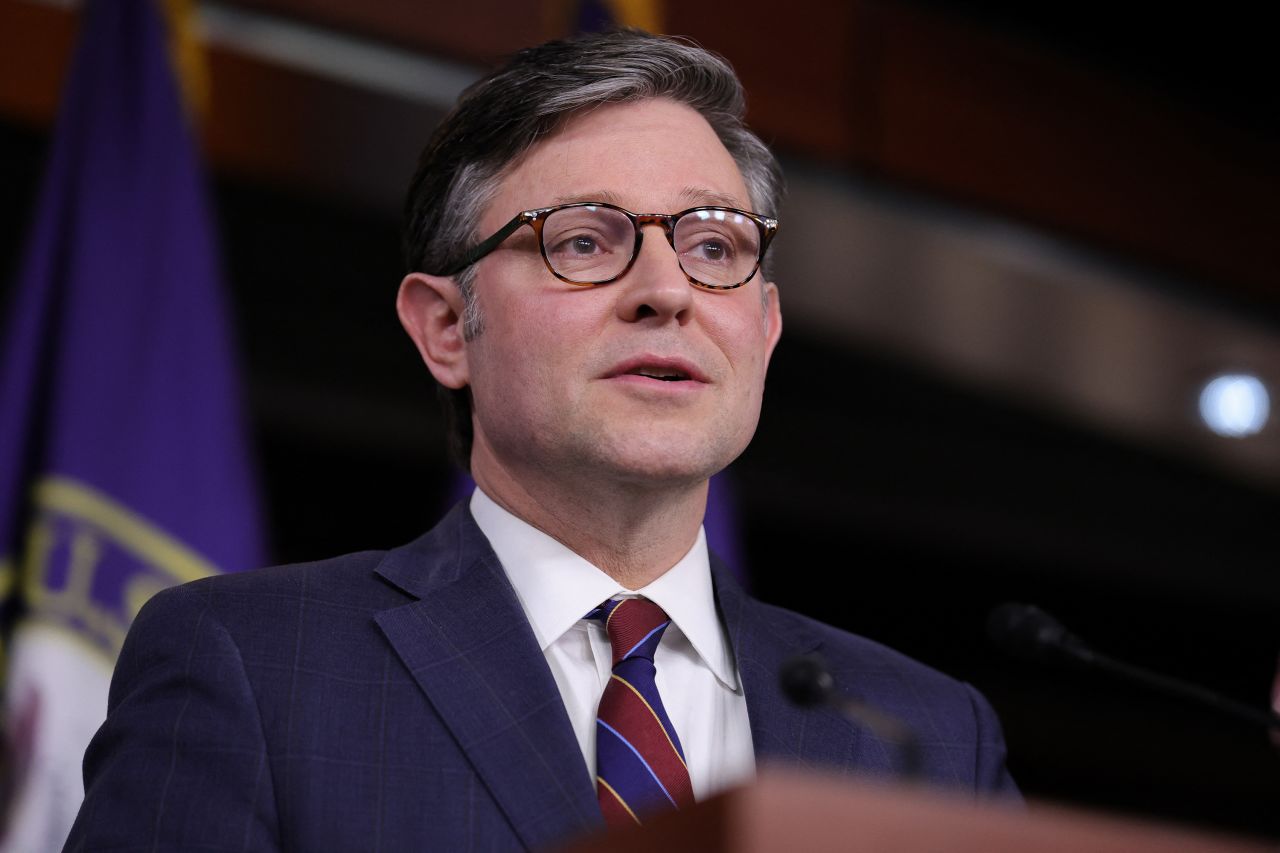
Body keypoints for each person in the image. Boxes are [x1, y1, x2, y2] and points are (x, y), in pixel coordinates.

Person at [65, 29, 1016, 852]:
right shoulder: (257, 663)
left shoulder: (924, 735)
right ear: (446, 327)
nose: (668, 289)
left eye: (715, 245)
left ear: (764, 329)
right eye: (585, 241)